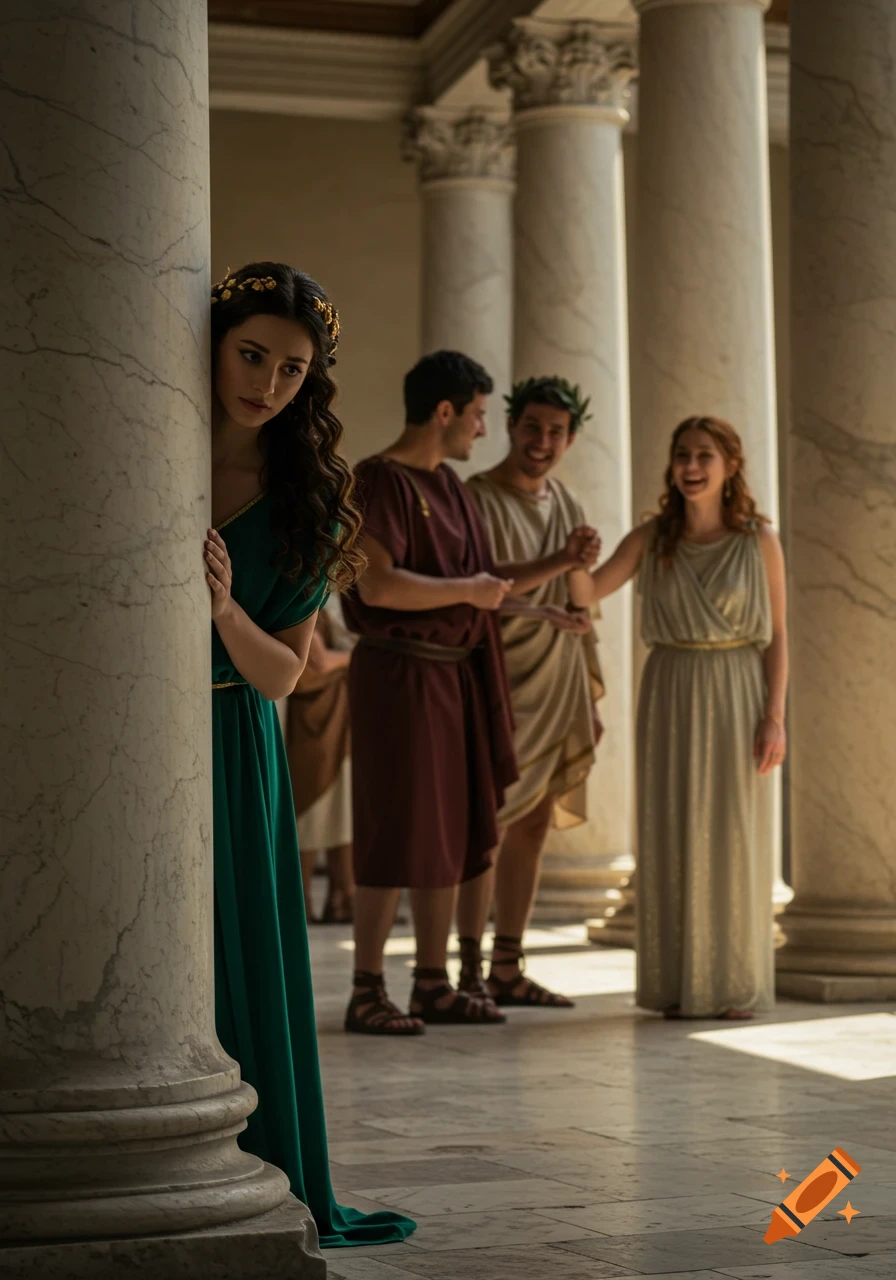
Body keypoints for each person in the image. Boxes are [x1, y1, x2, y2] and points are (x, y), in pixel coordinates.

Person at [207, 260, 414, 1247]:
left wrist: (220, 608)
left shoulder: (308, 504)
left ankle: (251, 1160)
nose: (267, 384)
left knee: (234, 948)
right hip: (111, 731)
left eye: (291, 370)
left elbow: (283, 676)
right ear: (214, 345)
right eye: (252, 355)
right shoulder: (139, 444)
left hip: (229, 739)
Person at [341, 351, 593, 1036]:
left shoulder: (448, 486)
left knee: (449, 830)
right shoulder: (379, 480)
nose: (484, 429)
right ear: (445, 411)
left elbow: (484, 583)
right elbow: (378, 586)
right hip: (400, 672)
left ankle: (432, 983)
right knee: (394, 824)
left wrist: (551, 586)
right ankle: (367, 988)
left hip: (457, 672)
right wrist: (469, 591)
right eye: (479, 415)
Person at [569, 416, 787, 1020]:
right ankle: (676, 982)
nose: (690, 467)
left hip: (738, 689)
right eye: (682, 455)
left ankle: (731, 983)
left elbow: (778, 634)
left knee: (733, 831)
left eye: (704, 456)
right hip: (669, 689)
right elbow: (588, 593)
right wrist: (573, 559)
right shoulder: (652, 537)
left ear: (730, 466)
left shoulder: (759, 539)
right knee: (671, 827)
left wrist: (774, 716)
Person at [458, 376, 603, 1009]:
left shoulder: (566, 501)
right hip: (499, 675)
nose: (543, 441)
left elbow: (581, 603)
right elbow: (480, 584)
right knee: (486, 824)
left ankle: (508, 966)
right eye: (533, 427)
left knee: (536, 821)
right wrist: (563, 560)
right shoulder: (476, 497)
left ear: (570, 439)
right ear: (511, 426)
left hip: (558, 672)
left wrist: (590, 693)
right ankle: (467, 969)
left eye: (556, 432)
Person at [282, 593, 356, 924]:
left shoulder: (336, 598)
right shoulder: (309, 596)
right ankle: (300, 900)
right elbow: (317, 663)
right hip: (313, 716)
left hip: (338, 713)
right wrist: (359, 656)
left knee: (341, 808)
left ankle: (343, 898)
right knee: (308, 810)